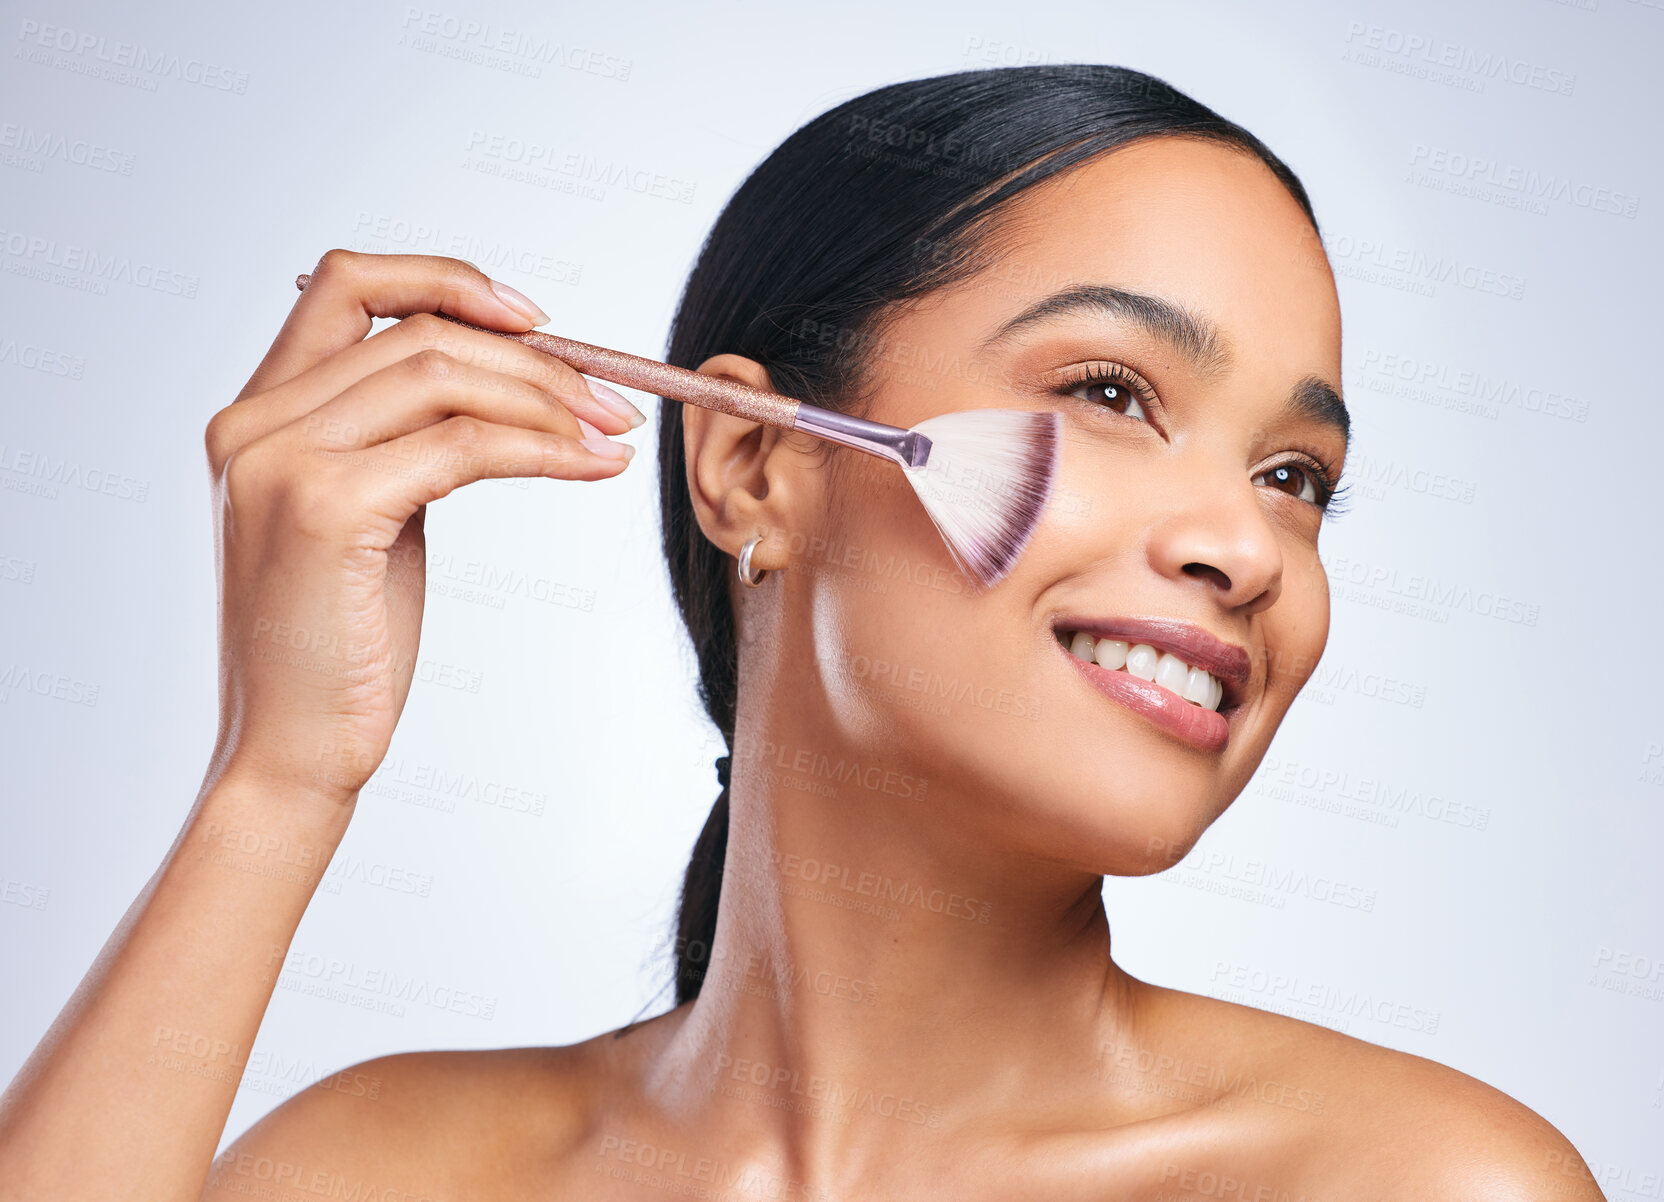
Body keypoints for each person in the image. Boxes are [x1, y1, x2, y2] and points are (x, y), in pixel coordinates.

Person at [0, 64, 1605, 1201]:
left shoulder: (1414, 1182)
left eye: (1296, 476)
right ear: (758, 464)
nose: (1245, 542)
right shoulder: (378, 1169)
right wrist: (277, 778)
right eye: (1110, 393)